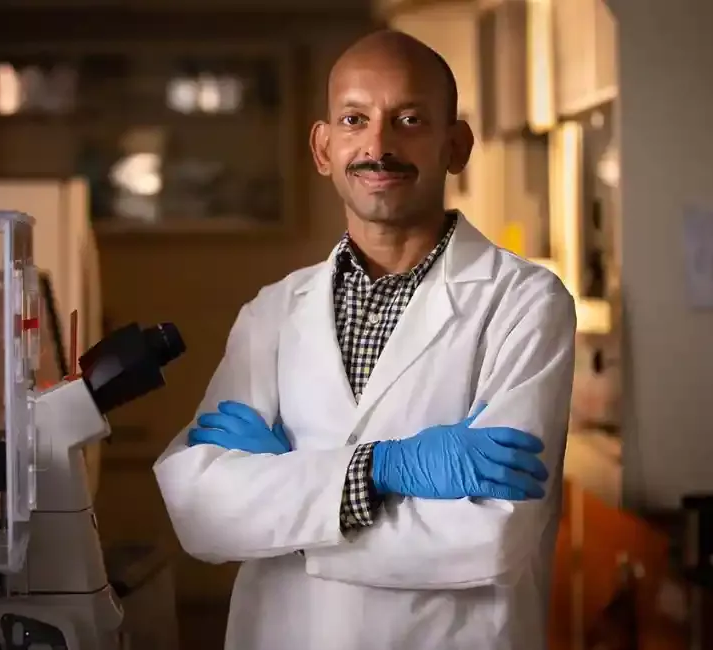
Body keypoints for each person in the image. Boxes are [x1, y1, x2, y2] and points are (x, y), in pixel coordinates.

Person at [154, 30, 576, 650]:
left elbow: (489, 535)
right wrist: (382, 470)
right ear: (324, 148)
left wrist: (284, 508)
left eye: (409, 120)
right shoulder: (273, 312)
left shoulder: (524, 304)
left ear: (454, 146)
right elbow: (202, 513)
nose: (378, 145)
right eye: (355, 119)